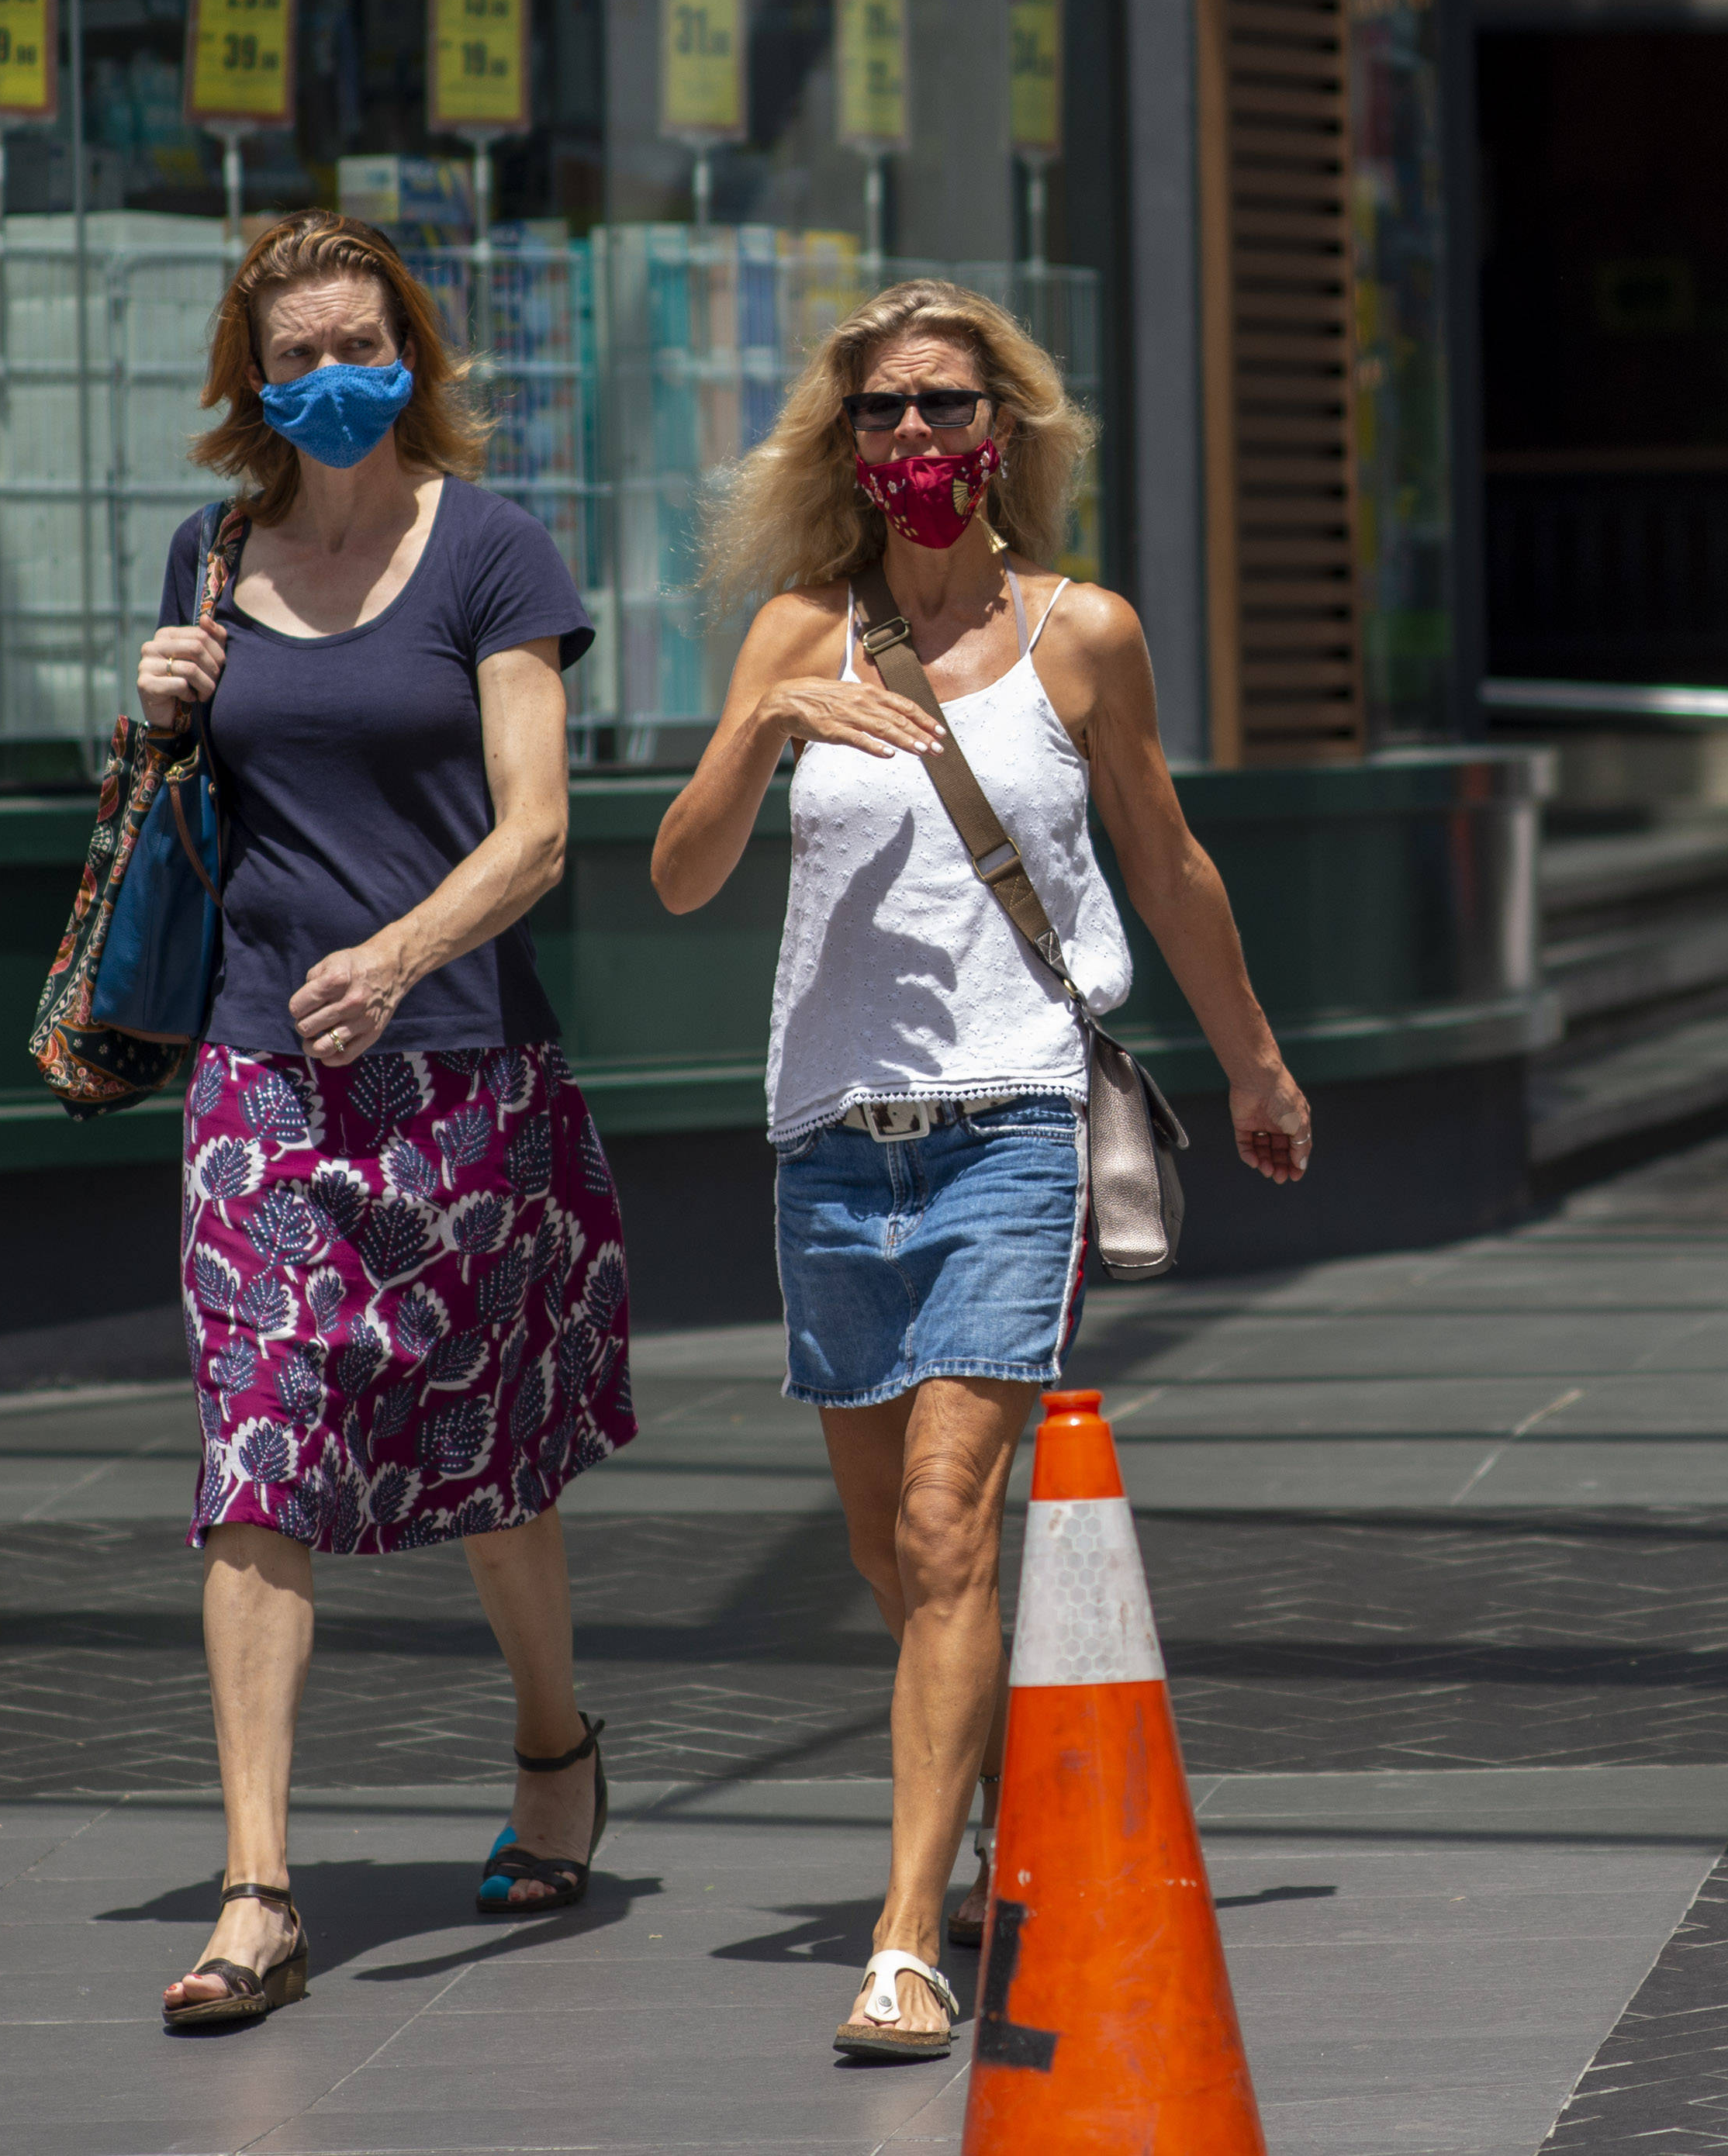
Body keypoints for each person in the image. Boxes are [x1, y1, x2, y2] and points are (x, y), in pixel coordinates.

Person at [648, 280, 1312, 2062]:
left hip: (1015, 1120)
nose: (918, 441)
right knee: (892, 1548)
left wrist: (1247, 1056)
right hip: (829, 1143)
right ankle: (1000, 1813)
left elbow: (1167, 865)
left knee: (946, 1525)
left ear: (1002, 431)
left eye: (948, 408)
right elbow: (682, 875)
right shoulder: (797, 630)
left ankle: (903, 1935)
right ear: (846, 449)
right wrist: (771, 726)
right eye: (885, 415)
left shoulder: (1080, 631)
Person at [137, 213, 635, 2032]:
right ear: (250, 380)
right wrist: (154, 708)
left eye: (359, 342)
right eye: (294, 356)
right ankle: (258, 1887)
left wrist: (402, 950)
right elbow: (169, 817)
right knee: (256, 1452)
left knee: (487, 1458)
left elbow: (539, 828)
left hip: (456, 1070)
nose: (329, 378)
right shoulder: (210, 557)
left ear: (410, 349)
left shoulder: (490, 554)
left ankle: (552, 1744)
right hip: (259, 1070)